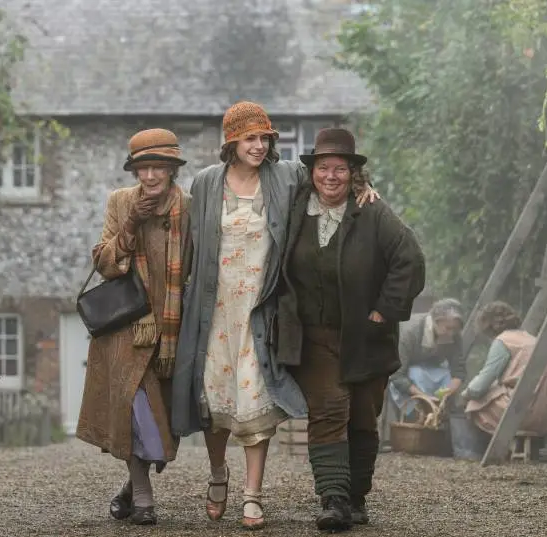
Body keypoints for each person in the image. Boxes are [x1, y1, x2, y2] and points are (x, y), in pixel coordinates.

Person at [171, 102, 378, 529]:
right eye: (250, 138)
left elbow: (329, 177)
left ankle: (253, 495)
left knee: (255, 401)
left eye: (265, 138)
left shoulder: (285, 176)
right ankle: (217, 474)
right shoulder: (207, 181)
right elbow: (190, 245)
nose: (259, 146)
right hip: (214, 311)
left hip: (260, 309)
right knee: (213, 399)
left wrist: (365, 187)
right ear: (232, 141)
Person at [275, 128, 426, 531]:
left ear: (353, 174)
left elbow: (409, 259)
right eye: (323, 167)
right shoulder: (295, 208)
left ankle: (357, 496)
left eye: (340, 169)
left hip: (365, 335)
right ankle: (334, 499)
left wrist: (385, 310)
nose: (330, 176)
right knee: (328, 410)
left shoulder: (372, 211)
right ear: (312, 171)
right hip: (313, 336)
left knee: (362, 416)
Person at [76, 129, 192, 526]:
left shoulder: (189, 207)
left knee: (164, 425)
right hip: (129, 327)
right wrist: (131, 223)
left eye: (159, 167)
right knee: (134, 411)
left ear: (173, 169)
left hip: (173, 328)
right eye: (143, 168)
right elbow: (105, 264)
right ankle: (144, 498)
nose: (150, 176)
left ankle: (131, 487)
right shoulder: (121, 201)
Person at [455, 301, 547, 457]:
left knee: (475, 403)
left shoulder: (503, 341)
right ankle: (533, 449)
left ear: (487, 325)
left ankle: (480, 453)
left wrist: (464, 395)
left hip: (528, 411)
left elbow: (481, 384)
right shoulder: (530, 338)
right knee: (496, 392)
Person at [389, 298, 466, 415]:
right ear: (436, 321)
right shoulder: (410, 333)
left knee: (446, 374)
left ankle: (442, 415)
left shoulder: (454, 334)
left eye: (455, 329)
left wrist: (447, 392)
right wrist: (425, 398)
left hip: (431, 372)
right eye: (448, 328)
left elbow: (459, 371)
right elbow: (397, 375)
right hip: (406, 377)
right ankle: (416, 414)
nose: (451, 333)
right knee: (416, 373)